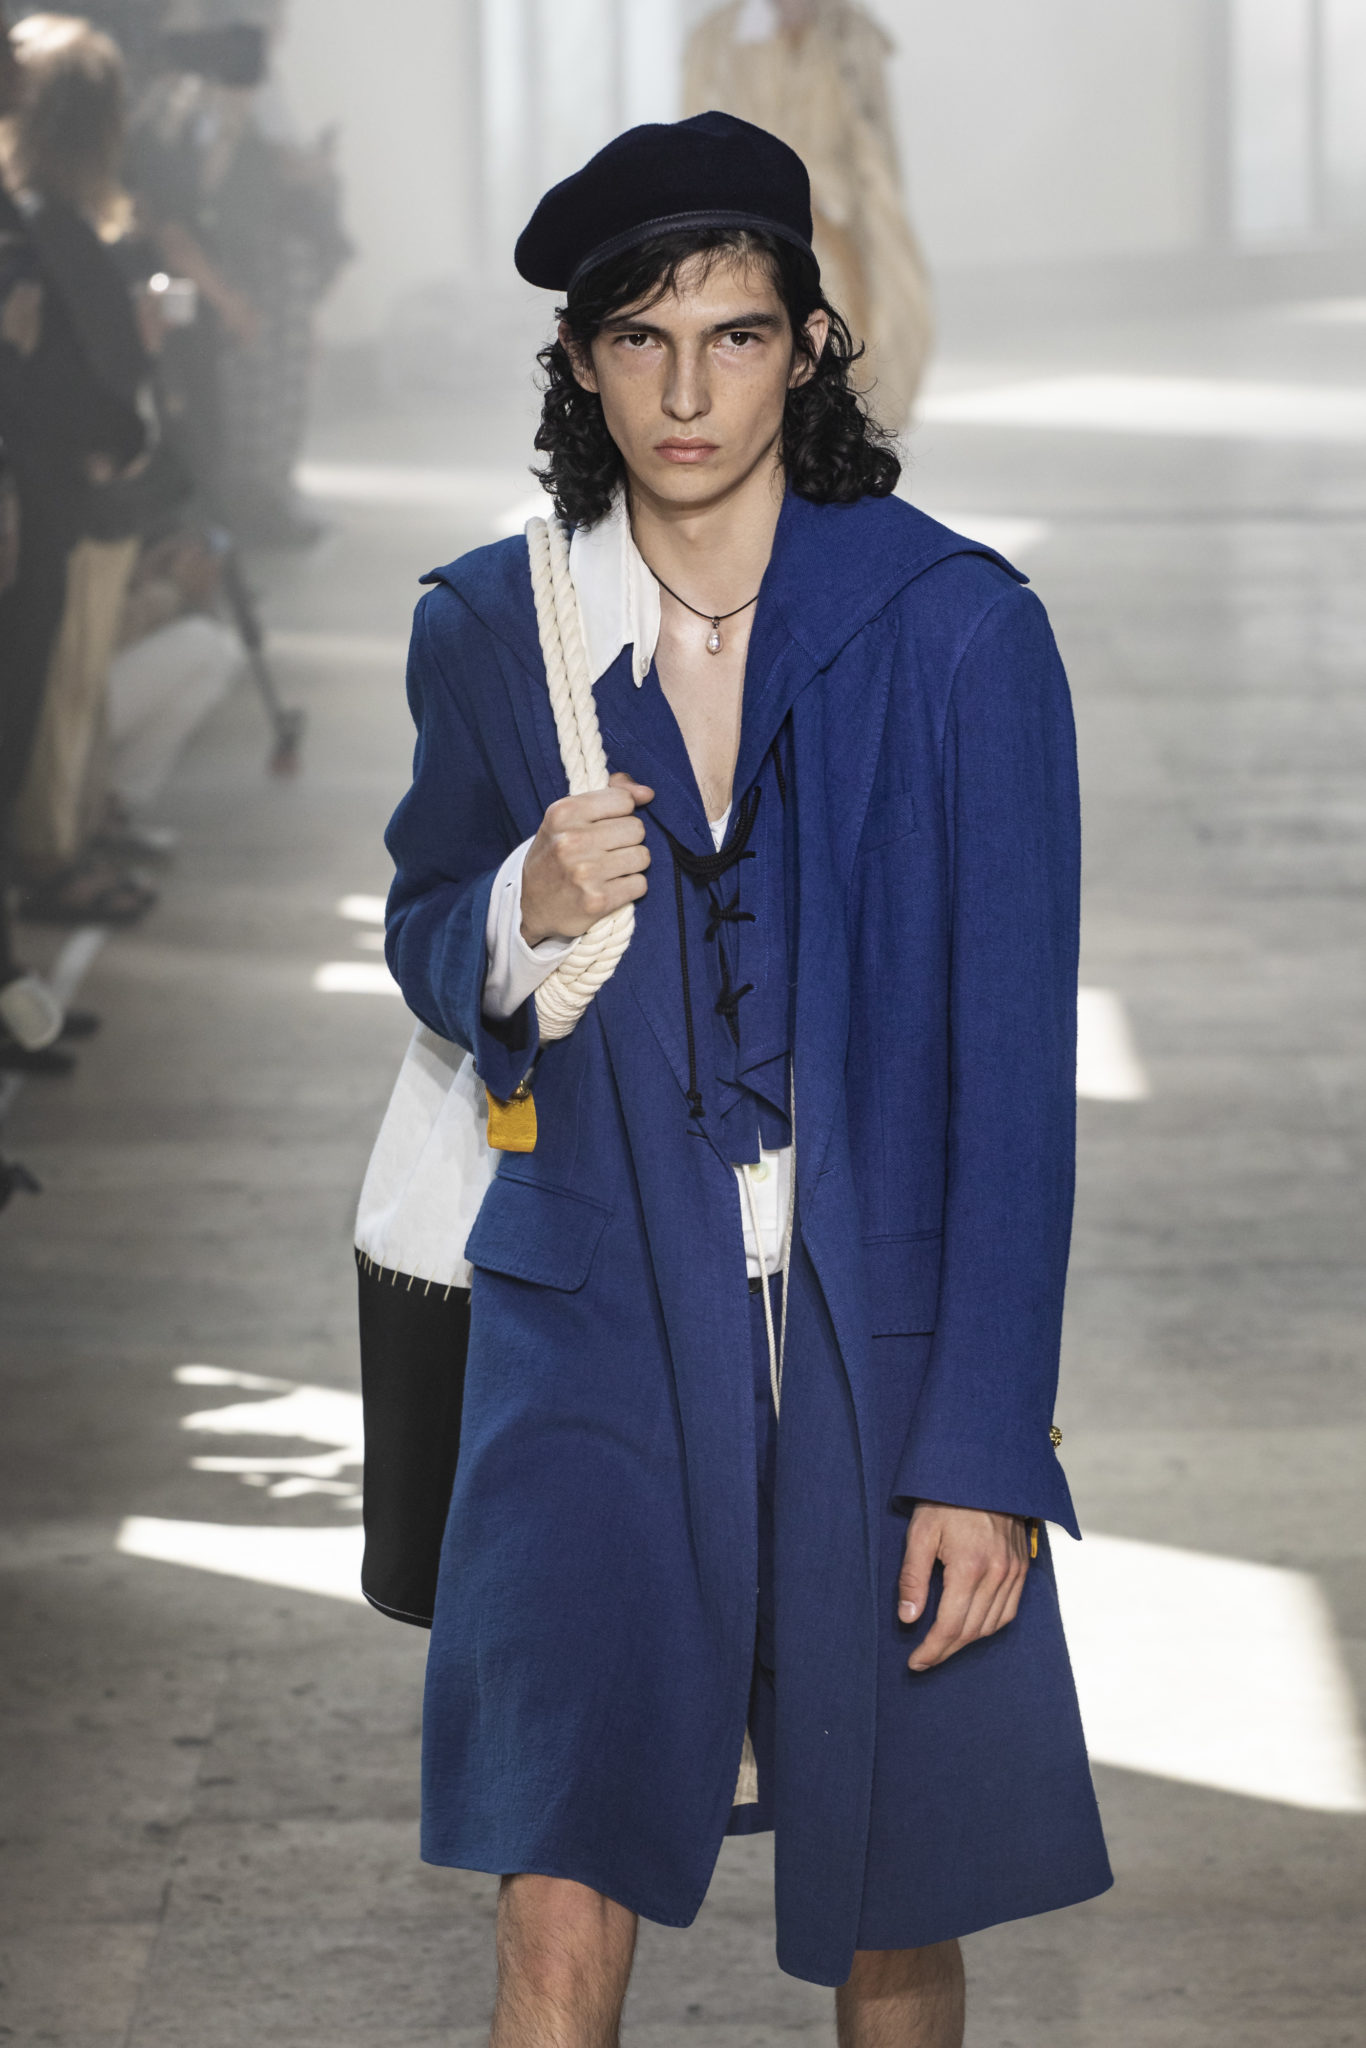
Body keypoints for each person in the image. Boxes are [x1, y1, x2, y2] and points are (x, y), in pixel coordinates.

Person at [383, 112, 1110, 2048]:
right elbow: (424, 930)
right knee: (554, 1876)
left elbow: (1012, 1085)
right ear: (577, 362)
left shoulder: (957, 634)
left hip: (882, 1352)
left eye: (733, 334)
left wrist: (986, 1445)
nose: (686, 392)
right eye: (639, 338)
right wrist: (518, 908)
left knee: (895, 1907)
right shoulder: (492, 631)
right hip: (588, 1327)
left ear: (809, 346)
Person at [684, 0, 933, 432]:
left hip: (842, 216)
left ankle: (836, 430)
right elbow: (698, 141)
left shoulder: (853, 35)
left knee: (860, 318)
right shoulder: (716, 40)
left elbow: (875, 146)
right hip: (747, 213)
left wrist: (859, 220)